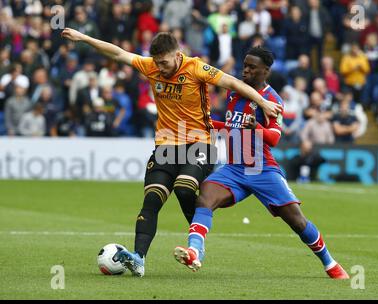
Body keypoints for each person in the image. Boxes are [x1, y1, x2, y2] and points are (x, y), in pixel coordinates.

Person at [61, 28, 281, 277]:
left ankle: (196, 247)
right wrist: (85, 38)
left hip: (199, 143)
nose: (160, 68)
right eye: (156, 62)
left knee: (185, 187)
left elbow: (232, 82)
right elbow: (118, 53)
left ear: (178, 55)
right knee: (152, 199)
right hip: (166, 145)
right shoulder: (151, 66)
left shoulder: (196, 68)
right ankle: (139, 259)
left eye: (164, 62)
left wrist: (262, 102)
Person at [173, 46, 349, 279]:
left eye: (251, 67)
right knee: (205, 195)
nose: (245, 70)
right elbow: (232, 127)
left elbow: (275, 138)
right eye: (244, 65)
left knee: (296, 221)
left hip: (262, 169)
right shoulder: (233, 92)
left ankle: (330, 263)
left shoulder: (272, 99)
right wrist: (209, 125)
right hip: (235, 169)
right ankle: (195, 251)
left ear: (265, 71)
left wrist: (257, 128)